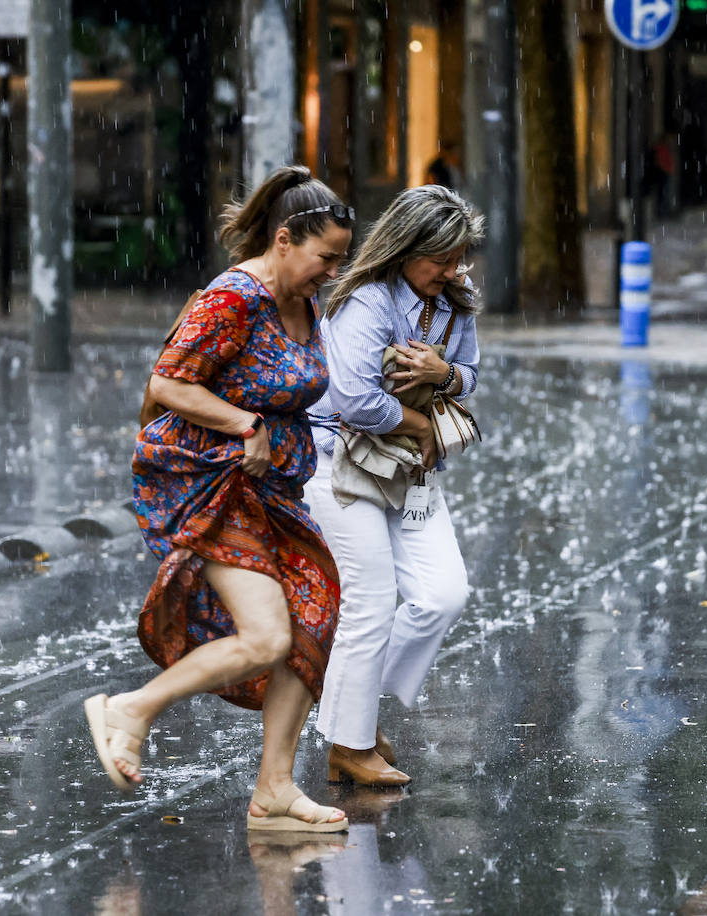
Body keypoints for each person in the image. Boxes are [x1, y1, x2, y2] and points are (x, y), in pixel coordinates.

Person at [85, 165, 354, 833]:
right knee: (266, 636)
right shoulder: (234, 298)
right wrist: (246, 424)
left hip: (271, 489)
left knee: (314, 608)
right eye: (326, 257)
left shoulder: (306, 300)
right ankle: (132, 710)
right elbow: (170, 382)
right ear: (285, 239)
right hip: (212, 482)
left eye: (340, 260)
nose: (333, 271)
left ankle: (274, 790)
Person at [304, 184, 484, 786]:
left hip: (409, 470)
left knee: (443, 594)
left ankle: (347, 706)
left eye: (460, 256)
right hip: (342, 462)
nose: (452, 269)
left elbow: (471, 375)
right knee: (372, 600)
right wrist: (420, 424)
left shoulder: (457, 302)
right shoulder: (366, 302)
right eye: (442, 257)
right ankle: (349, 746)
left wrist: (446, 373)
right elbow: (354, 400)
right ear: (408, 248)